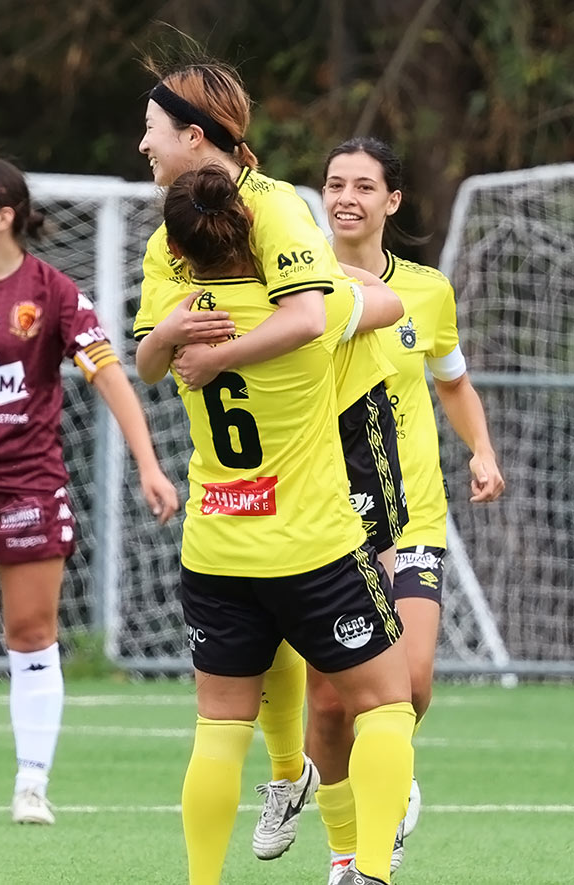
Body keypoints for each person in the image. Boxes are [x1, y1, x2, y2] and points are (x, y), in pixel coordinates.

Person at [135, 58, 406, 867]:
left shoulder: (196, 275)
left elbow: (153, 361)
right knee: (387, 704)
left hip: (216, 540)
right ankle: (369, 866)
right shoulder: (290, 290)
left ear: (193, 136)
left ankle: (239, 834)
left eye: (150, 131)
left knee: (218, 727)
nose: (141, 145)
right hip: (310, 539)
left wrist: (189, 346)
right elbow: (352, 307)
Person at [0, 157, 178, 825]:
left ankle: (32, 784)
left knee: (30, 630)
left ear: (3, 215)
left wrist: (150, 466)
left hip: (26, 483)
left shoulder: (53, 292)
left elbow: (110, 377)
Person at [311, 137, 505, 883]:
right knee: (329, 707)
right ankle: (349, 838)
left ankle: (386, 796)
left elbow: (452, 381)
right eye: (334, 183)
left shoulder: (427, 291)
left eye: (364, 185)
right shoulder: (297, 288)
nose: (346, 196)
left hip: (411, 515)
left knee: (411, 685)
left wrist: (480, 449)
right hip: (320, 523)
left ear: (392, 201)